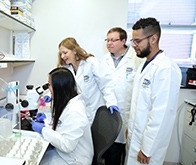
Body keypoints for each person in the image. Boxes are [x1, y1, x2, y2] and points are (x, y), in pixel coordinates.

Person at [125, 17, 182, 165]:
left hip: (148, 147)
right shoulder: (144, 65)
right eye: (133, 41)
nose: (134, 45)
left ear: (153, 39)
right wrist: (129, 128)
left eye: (137, 41)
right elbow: (139, 104)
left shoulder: (165, 68)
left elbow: (161, 113)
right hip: (135, 137)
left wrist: (147, 148)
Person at [31, 67, 94, 165]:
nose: (48, 88)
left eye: (50, 85)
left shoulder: (75, 111)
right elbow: (63, 126)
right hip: (65, 154)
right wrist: (47, 121)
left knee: (35, 160)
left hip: (75, 159)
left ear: (59, 87)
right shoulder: (68, 102)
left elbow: (67, 145)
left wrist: (43, 129)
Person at [100, 27, 143, 165]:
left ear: (124, 41)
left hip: (126, 115)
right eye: (108, 40)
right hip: (107, 113)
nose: (109, 43)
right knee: (106, 151)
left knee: (119, 154)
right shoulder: (103, 60)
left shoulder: (136, 59)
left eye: (113, 40)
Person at [57, 37, 119, 124]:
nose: (62, 56)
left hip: (94, 111)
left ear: (74, 50)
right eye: (60, 54)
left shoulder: (90, 62)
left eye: (65, 53)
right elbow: (59, 84)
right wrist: (49, 94)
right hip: (78, 113)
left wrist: (111, 102)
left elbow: (105, 84)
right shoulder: (66, 68)